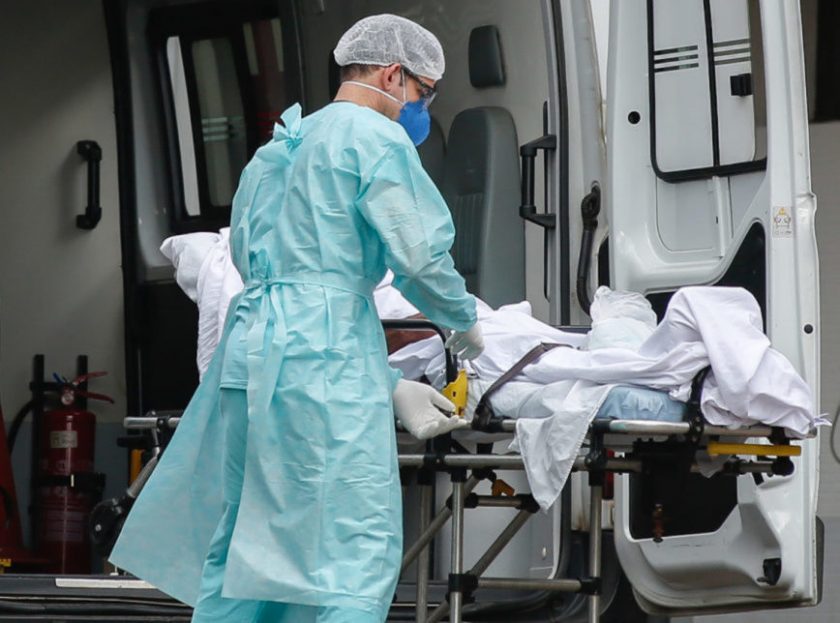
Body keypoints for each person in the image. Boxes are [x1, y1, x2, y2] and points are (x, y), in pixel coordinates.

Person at [111, 13, 484, 623]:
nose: (420, 110)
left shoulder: (278, 147)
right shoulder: (375, 139)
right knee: (351, 547)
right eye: (422, 93)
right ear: (394, 73)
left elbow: (249, 262)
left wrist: (388, 384)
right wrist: (464, 322)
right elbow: (418, 256)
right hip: (324, 363)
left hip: (249, 359)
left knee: (247, 542)